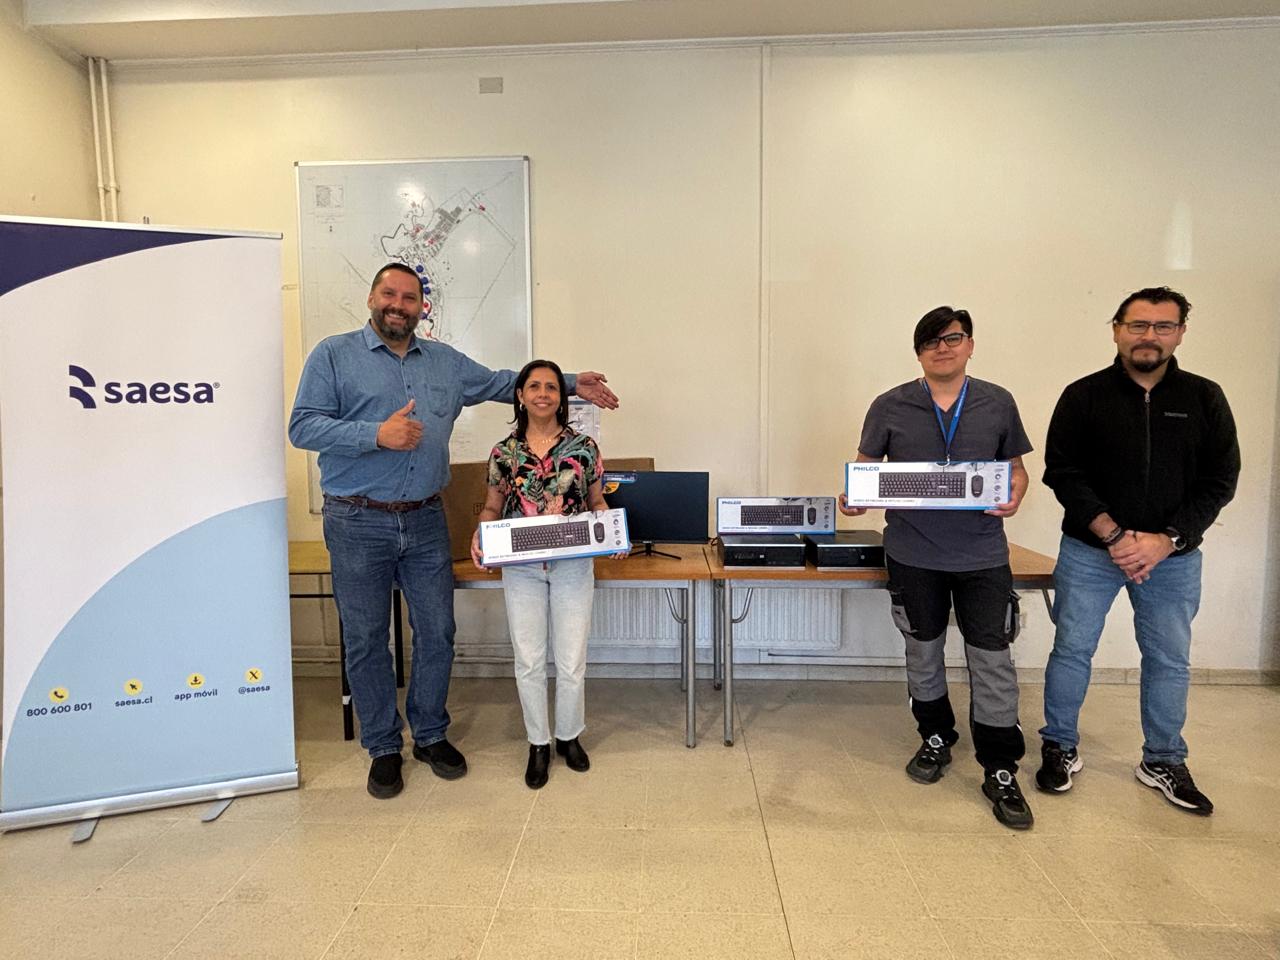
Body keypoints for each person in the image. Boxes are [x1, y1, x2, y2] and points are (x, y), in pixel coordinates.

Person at [288, 263, 618, 799]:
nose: (399, 305)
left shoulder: (444, 362)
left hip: (424, 518)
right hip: (357, 519)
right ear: (372, 297)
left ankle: (430, 734)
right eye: (390, 294)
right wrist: (376, 434)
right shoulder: (333, 355)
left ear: (423, 307)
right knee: (366, 638)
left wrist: (571, 381)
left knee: (438, 631)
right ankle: (383, 746)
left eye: (410, 297)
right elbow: (302, 425)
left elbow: (505, 382)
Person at [1038, 287, 1238, 815]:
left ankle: (1163, 759)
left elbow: (1220, 479)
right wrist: (1114, 536)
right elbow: (1062, 472)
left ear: (1180, 333)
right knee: (1071, 650)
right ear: (1117, 330)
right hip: (1090, 551)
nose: (1150, 336)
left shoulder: (1205, 398)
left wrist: (1166, 539)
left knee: (1169, 659)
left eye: (1163, 326)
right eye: (1138, 325)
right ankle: (1059, 745)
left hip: (1173, 558)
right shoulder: (1083, 396)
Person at [839, 306, 1034, 829]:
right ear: (918, 352)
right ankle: (935, 736)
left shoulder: (998, 402)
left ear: (970, 345)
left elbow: (1017, 470)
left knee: (991, 659)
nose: (942, 348)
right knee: (922, 652)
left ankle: (999, 766)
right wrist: (854, 497)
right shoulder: (889, 405)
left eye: (952, 338)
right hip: (912, 553)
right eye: (930, 341)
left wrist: (1015, 494)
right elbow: (865, 470)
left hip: (982, 556)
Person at [470, 359, 626, 789]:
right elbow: (492, 507)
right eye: (534, 386)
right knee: (530, 660)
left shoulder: (583, 448)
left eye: (552, 387)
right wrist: (480, 534)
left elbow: (597, 502)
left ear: (562, 397)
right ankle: (538, 742)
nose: (543, 394)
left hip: (573, 566)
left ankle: (569, 736)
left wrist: (611, 532)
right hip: (521, 570)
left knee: (572, 660)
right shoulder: (504, 453)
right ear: (520, 396)